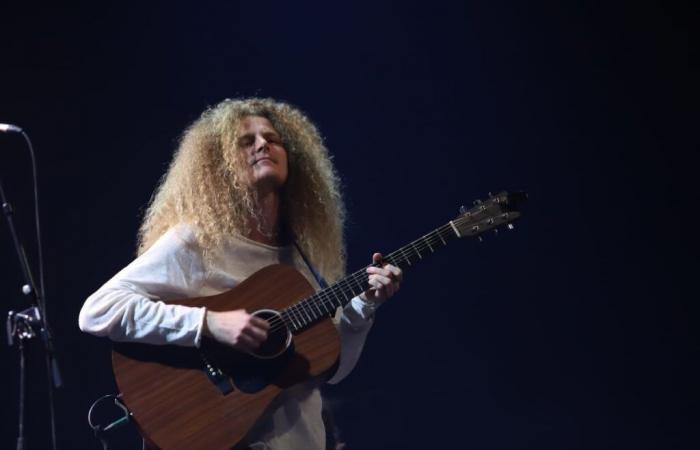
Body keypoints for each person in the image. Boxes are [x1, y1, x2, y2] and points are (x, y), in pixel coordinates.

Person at [78, 98, 402, 450]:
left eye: (272, 139)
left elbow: (333, 368)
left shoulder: (305, 257)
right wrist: (209, 324)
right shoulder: (197, 243)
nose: (263, 144)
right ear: (220, 165)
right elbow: (98, 311)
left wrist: (362, 310)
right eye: (246, 142)